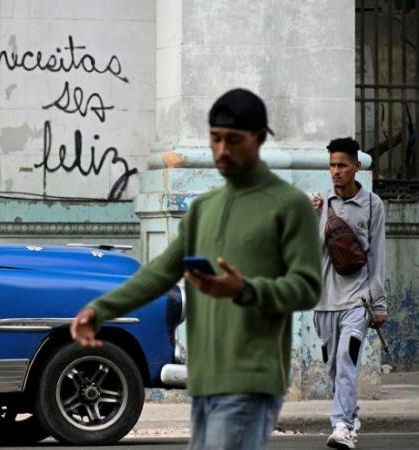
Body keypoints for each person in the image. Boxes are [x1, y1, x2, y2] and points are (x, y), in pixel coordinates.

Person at [71, 88, 322, 450]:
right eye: (215, 139)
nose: (222, 151)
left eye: (233, 140)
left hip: (251, 377)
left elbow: (307, 286)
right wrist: (101, 310)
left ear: (260, 138)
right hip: (204, 380)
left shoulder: (289, 204)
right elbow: (159, 273)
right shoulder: (204, 208)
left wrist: (245, 290)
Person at [311, 137, 387, 450]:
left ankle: (342, 427)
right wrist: (317, 219)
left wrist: (379, 303)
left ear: (356, 166)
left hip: (358, 302)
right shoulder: (321, 204)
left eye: (342, 165)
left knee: (346, 360)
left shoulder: (373, 205)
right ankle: (351, 413)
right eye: (332, 165)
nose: (336, 171)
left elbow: (377, 255)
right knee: (334, 369)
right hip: (325, 302)